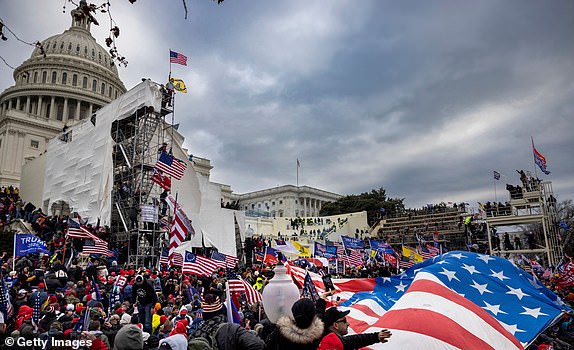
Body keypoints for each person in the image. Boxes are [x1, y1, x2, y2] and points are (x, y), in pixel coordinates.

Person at [319, 307, 391, 349]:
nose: (348, 324)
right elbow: (351, 341)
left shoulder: (323, 337)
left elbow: (352, 340)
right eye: (344, 321)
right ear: (335, 325)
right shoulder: (330, 342)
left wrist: (376, 336)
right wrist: (375, 336)